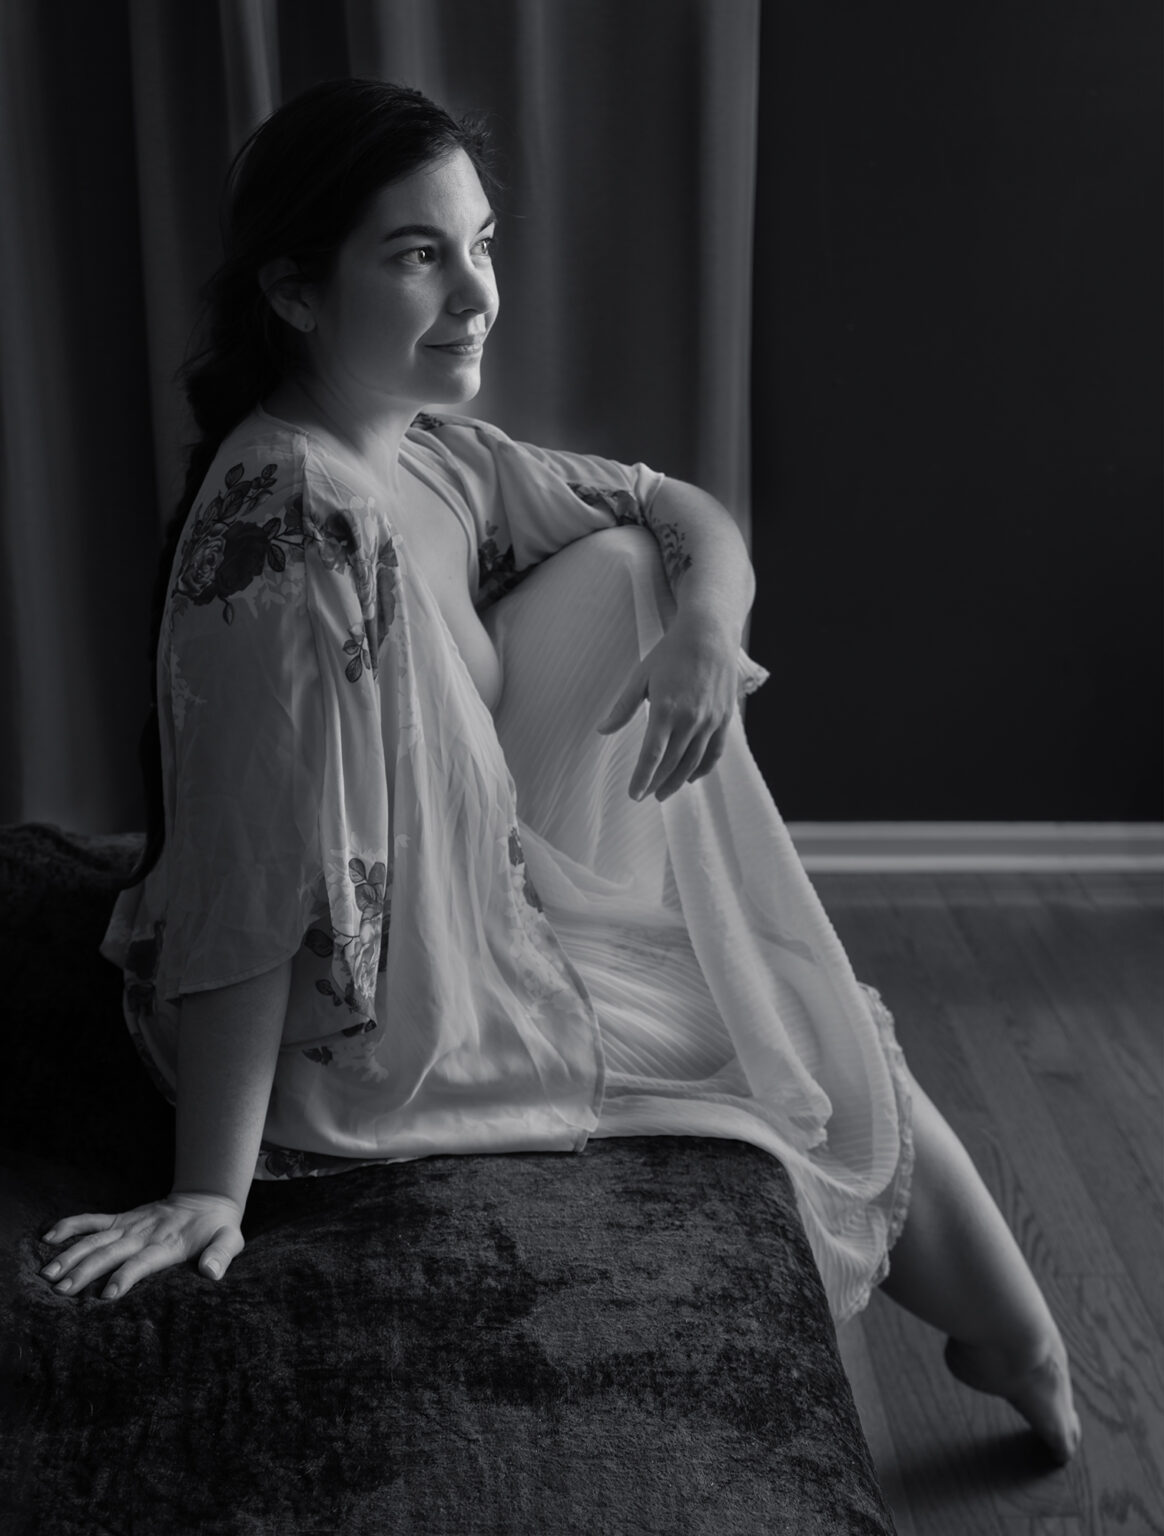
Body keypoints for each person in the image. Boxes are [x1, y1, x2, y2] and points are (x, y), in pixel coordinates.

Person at [38, 78, 1079, 1465]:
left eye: (479, 245)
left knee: (632, 564)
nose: (477, 295)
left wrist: (708, 631)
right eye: (418, 256)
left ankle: (1012, 1336)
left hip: (468, 881)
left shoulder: (422, 453)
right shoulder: (294, 523)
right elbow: (251, 878)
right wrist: (210, 1192)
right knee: (800, 1039)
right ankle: (1024, 1343)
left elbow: (669, 506)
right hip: (361, 1033)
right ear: (293, 291)